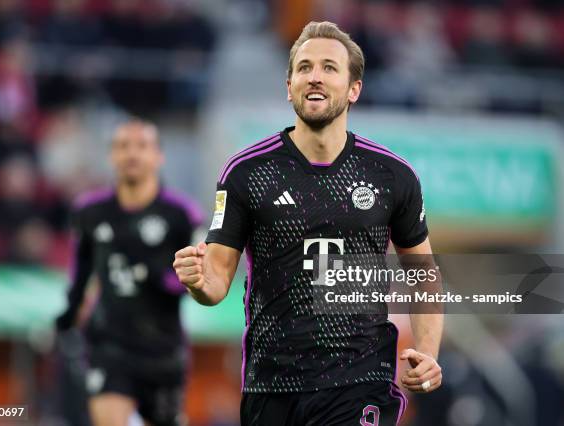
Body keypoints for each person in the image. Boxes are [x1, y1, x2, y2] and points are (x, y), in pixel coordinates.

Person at [173, 21, 443, 425]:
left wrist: (427, 351)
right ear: (289, 86)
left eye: (329, 67)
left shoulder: (392, 176)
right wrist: (197, 280)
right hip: (272, 385)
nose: (314, 76)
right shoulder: (246, 173)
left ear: (354, 89)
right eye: (304, 67)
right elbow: (215, 283)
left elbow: (423, 273)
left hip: (360, 380)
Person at [56, 120, 203, 426]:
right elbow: (81, 273)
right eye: (123, 146)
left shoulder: (182, 215)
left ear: (159, 156)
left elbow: (198, 280)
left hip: (162, 349)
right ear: (112, 156)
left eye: (141, 146)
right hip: (109, 345)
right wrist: (68, 317)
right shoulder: (90, 213)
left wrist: (158, 276)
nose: (132, 154)